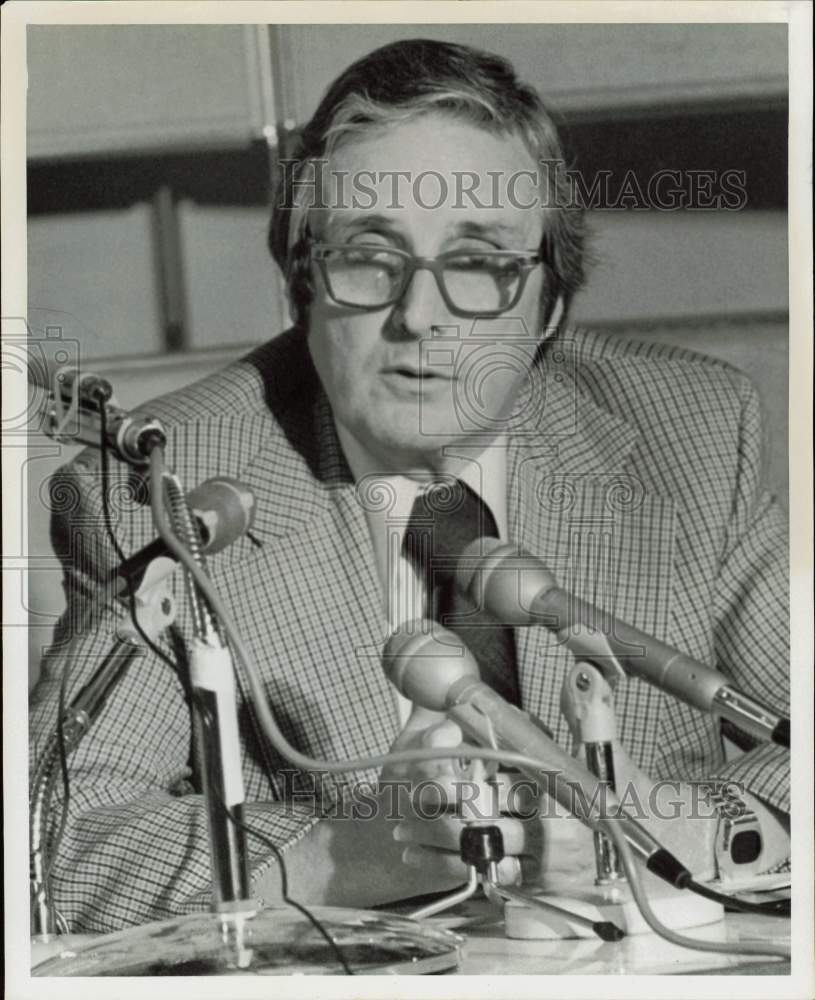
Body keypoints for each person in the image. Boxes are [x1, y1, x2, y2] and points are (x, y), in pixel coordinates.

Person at [29, 38, 790, 934]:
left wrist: (692, 829)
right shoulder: (161, 488)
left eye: (476, 262)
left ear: (546, 304)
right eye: (367, 256)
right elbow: (51, 841)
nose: (418, 316)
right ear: (300, 280)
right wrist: (338, 854)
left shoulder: (692, 436)